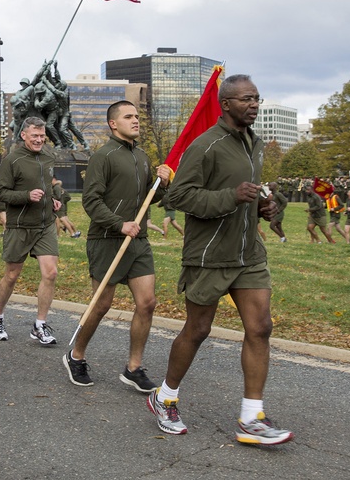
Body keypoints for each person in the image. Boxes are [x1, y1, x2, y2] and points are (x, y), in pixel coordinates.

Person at [149, 74, 292, 446]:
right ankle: (164, 397)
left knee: (260, 327)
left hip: (248, 254)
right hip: (209, 255)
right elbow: (178, 197)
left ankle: (251, 418)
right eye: (247, 99)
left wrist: (264, 206)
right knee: (197, 330)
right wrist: (230, 196)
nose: (255, 105)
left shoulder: (255, 145)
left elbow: (249, 194)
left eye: (258, 99)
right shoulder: (205, 145)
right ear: (225, 104)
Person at [64, 100, 171, 390]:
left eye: (137, 116)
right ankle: (76, 355)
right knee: (101, 305)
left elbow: (151, 198)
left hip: (138, 242)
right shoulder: (104, 156)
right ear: (113, 123)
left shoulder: (143, 157)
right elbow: (91, 200)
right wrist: (118, 223)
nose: (135, 120)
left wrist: (162, 183)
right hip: (107, 239)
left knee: (147, 303)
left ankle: (133, 368)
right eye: (128, 116)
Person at [0, 116, 61, 347]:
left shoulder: (49, 157)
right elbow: (0, 193)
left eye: (42, 136)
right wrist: (26, 196)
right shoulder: (12, 160)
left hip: (45, 225)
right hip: (20, 226)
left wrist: (54, 201)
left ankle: (40, 325)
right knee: (11, 275)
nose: (39, 140)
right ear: (23, 135)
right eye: (35, 136)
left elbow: (48, 185)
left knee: (50, 273)